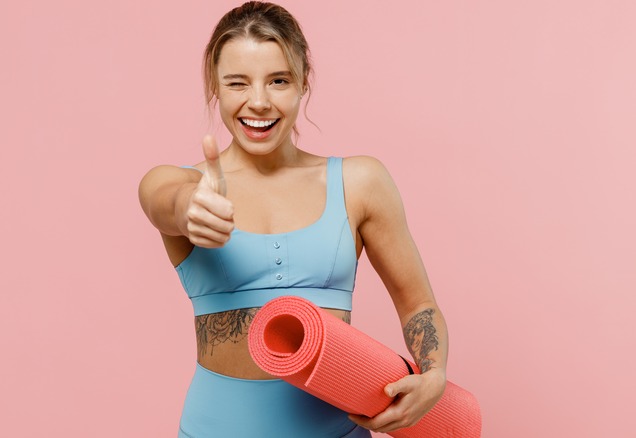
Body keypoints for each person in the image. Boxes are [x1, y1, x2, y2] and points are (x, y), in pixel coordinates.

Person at [138, 2, 448, 436]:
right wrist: (190, 205)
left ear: (304, 82)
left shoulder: (359, 182)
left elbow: (418, 303)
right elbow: (161, 200)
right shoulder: (180, 183)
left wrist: (432, 376)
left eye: (278, 81)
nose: (259, 102)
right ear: (216, 87)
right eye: (238, 83)